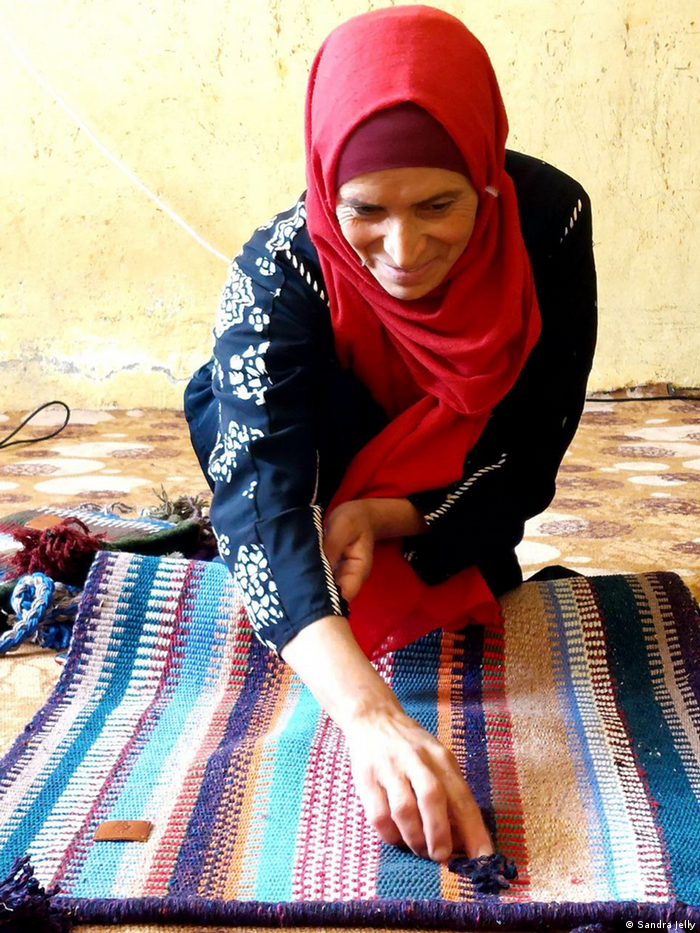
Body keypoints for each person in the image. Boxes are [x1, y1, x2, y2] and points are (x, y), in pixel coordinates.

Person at [184, 5, 597, 866]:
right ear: (327, 187)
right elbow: (260, 496)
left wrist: (383, 517)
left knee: (462, 542)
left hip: (441, 492)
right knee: (239, 426)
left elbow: (531, 450)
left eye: (440, 204)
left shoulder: (547, 225)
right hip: (320, 461)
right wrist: (369, 715)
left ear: (485, 177)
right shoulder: (280, 266)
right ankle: (319, 599)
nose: (403, 250)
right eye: (365, 210)